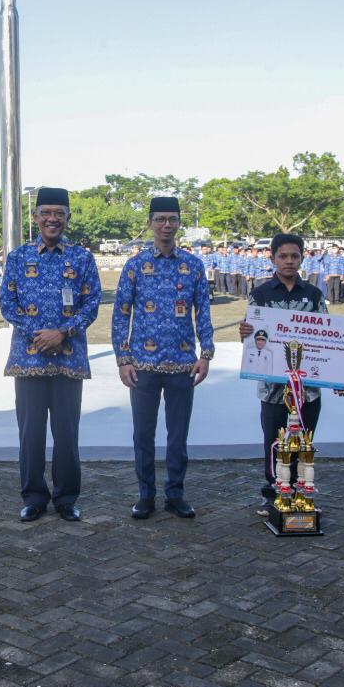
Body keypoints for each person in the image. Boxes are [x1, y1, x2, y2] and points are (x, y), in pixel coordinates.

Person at [0, 187, 101, 522]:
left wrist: (63, 333)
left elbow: (92, 303)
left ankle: (66, 498)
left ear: (68, 217)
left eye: (59, 213)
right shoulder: (17, 258)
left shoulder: (82, 258)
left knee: (67, 434)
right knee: (30, 435)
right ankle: (33, 497)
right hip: (28, 359)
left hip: (68, 358)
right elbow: (7, 304)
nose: (52, 219)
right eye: (46, 212)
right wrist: (39, 335)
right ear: (35, 217)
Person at [112, 197, 214, 520]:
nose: (166, 225)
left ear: (179, 223)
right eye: (160, 219)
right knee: (143, 434)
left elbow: (204, 313)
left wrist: (206, 352)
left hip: (183, 364)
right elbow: (121, 314)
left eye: (172, 219)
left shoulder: (193, 265)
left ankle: (175, 493)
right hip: (142, 365)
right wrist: (123, 358)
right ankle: (145, 495)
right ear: (151, 223)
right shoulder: (135, 265)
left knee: (178, 434)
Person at [238, 233, 344, 516]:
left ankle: (302, 491)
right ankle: (273, 493)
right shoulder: (260, 294)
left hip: (307, 388)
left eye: (294, 256)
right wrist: (245, 334)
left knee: (304, 441)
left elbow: (329, 337)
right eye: (283, 256)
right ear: (272, 258)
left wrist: (338, 373)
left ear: (302, 257)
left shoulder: (313, 295)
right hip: (273, 387)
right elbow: (253, 340)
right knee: (274, 443)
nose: (289, 261)